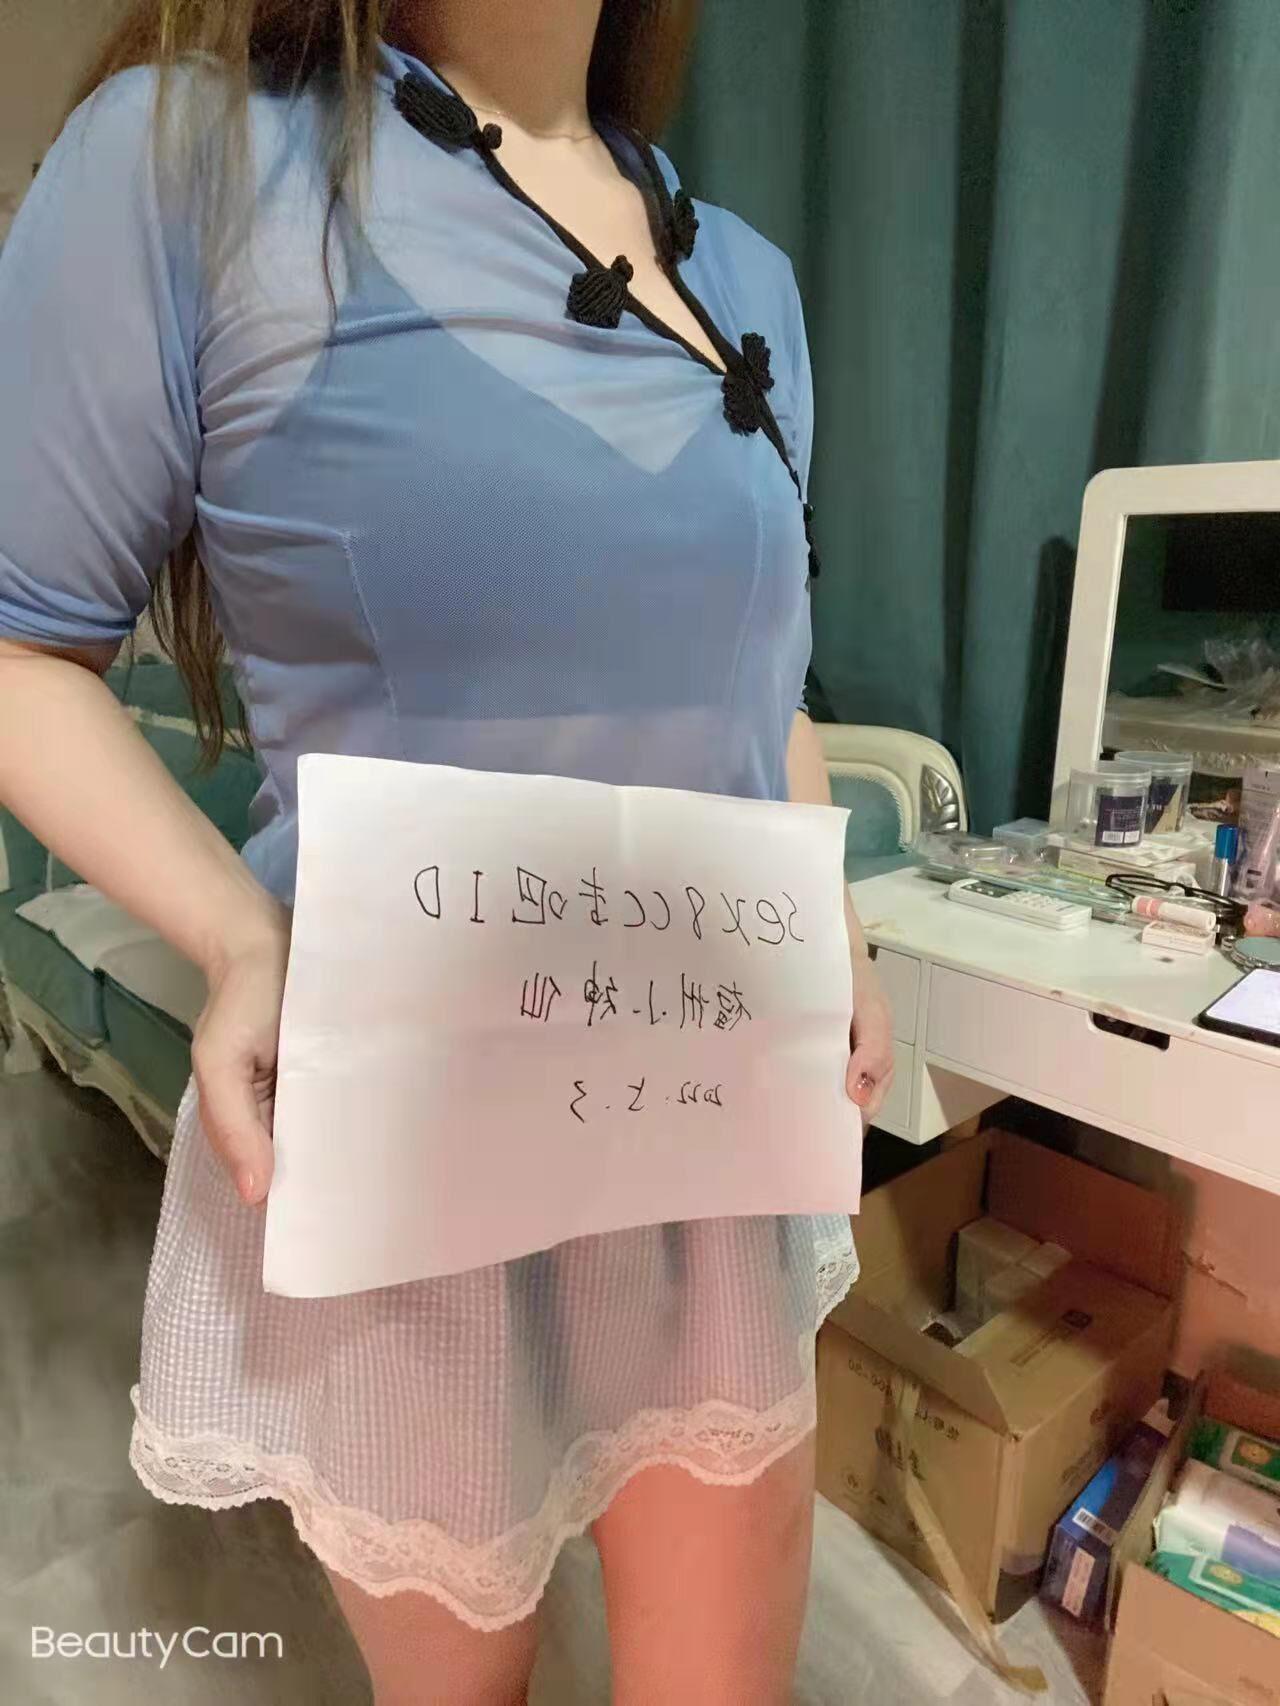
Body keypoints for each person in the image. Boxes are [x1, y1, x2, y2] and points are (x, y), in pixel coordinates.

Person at [0, 3, 894, 1701]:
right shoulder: (194, 167)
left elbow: (760, 677)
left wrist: (821, 895)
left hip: (703, 1119)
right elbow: (17, 642)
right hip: (412, 1139)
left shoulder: (749, 281)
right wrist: (237, 940)